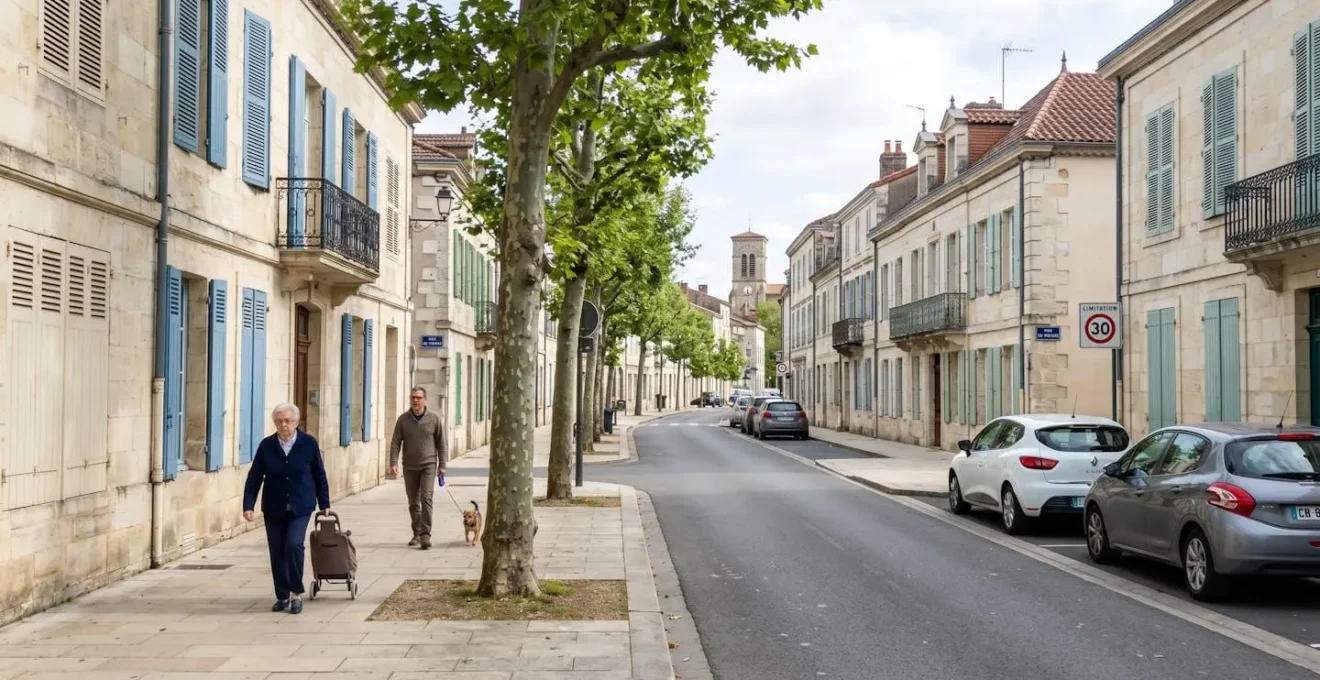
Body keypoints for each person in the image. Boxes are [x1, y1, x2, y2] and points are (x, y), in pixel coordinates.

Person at [242, 403, 330, 615]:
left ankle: (296, 593)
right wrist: (248, 505)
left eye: (288, 421)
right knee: (277, 550)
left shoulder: (309, 443)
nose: (284, 425)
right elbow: (254, 477)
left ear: (296, 422)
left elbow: (320, 475)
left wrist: (324, 503)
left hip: (301, 504)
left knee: (293, 545)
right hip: (274, 506)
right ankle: (282, 595)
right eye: (279, 421)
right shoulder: (267, 446)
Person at [389, 386, 447, 550]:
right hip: (409, 466)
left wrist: (442, 465)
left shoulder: (434, 419)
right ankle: (417, 532)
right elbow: (395, 442)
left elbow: (441, 443)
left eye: (418, 398)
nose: (415, 400)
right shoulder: (403, 420)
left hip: (428, 464)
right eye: (413, 397)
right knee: (413, 502)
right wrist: (393, 463)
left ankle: (425, 535)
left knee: (426, 498)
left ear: (425, 400)